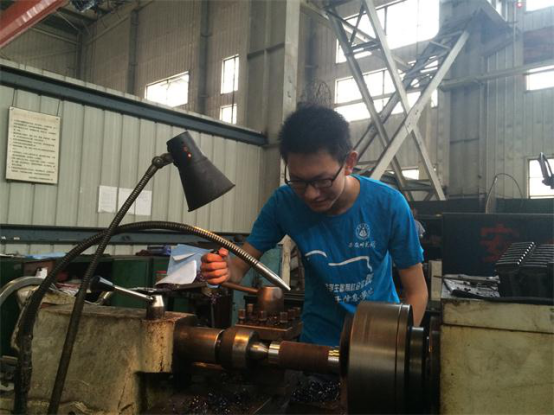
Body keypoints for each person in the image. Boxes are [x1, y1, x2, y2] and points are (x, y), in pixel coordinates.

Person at [201, 105, 428, 347]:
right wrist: (224, 269)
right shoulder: (284, 203)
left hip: (377, 339)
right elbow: (238, 267)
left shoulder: (388, 205)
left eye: (322, 180)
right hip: (316, 346)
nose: (311, 194)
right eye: (298, 181)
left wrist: (397, 343)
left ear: (349, 162)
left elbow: (417, 292)